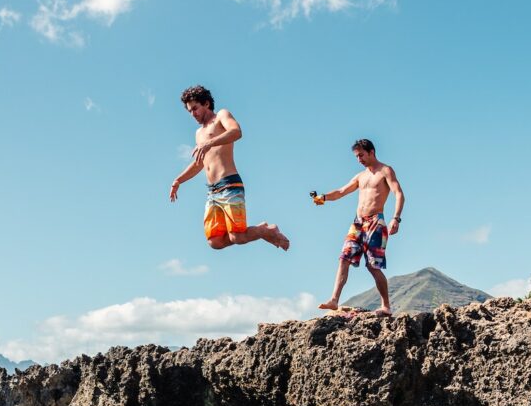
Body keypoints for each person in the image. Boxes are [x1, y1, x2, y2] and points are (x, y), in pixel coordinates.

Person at [170, 86, 289, 251]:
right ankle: (260, 230)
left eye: (195, 108)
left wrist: (209, 143)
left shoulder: (221, 116)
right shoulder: (198, 133)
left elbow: (236, 132)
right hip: (212, 192)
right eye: (190, 111)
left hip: (229, 184)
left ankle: (265, 231)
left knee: (237, 236)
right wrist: (178, 180)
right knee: (215, 241)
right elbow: (199, 162)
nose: (193, 114)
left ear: (206, 103)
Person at [312, 139, 404, 316]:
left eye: (361, 155)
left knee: (372, 266)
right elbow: (341, 192)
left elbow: (399, 194)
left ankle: (386, 306)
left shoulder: (385, 171)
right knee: (344, 258)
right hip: (358, 223)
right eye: (356, 156)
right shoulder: (360, 176)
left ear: (371, 152)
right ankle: (334, 300)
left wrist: (396, 218)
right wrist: (323, 197)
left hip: (376, 222)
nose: (359, 159)